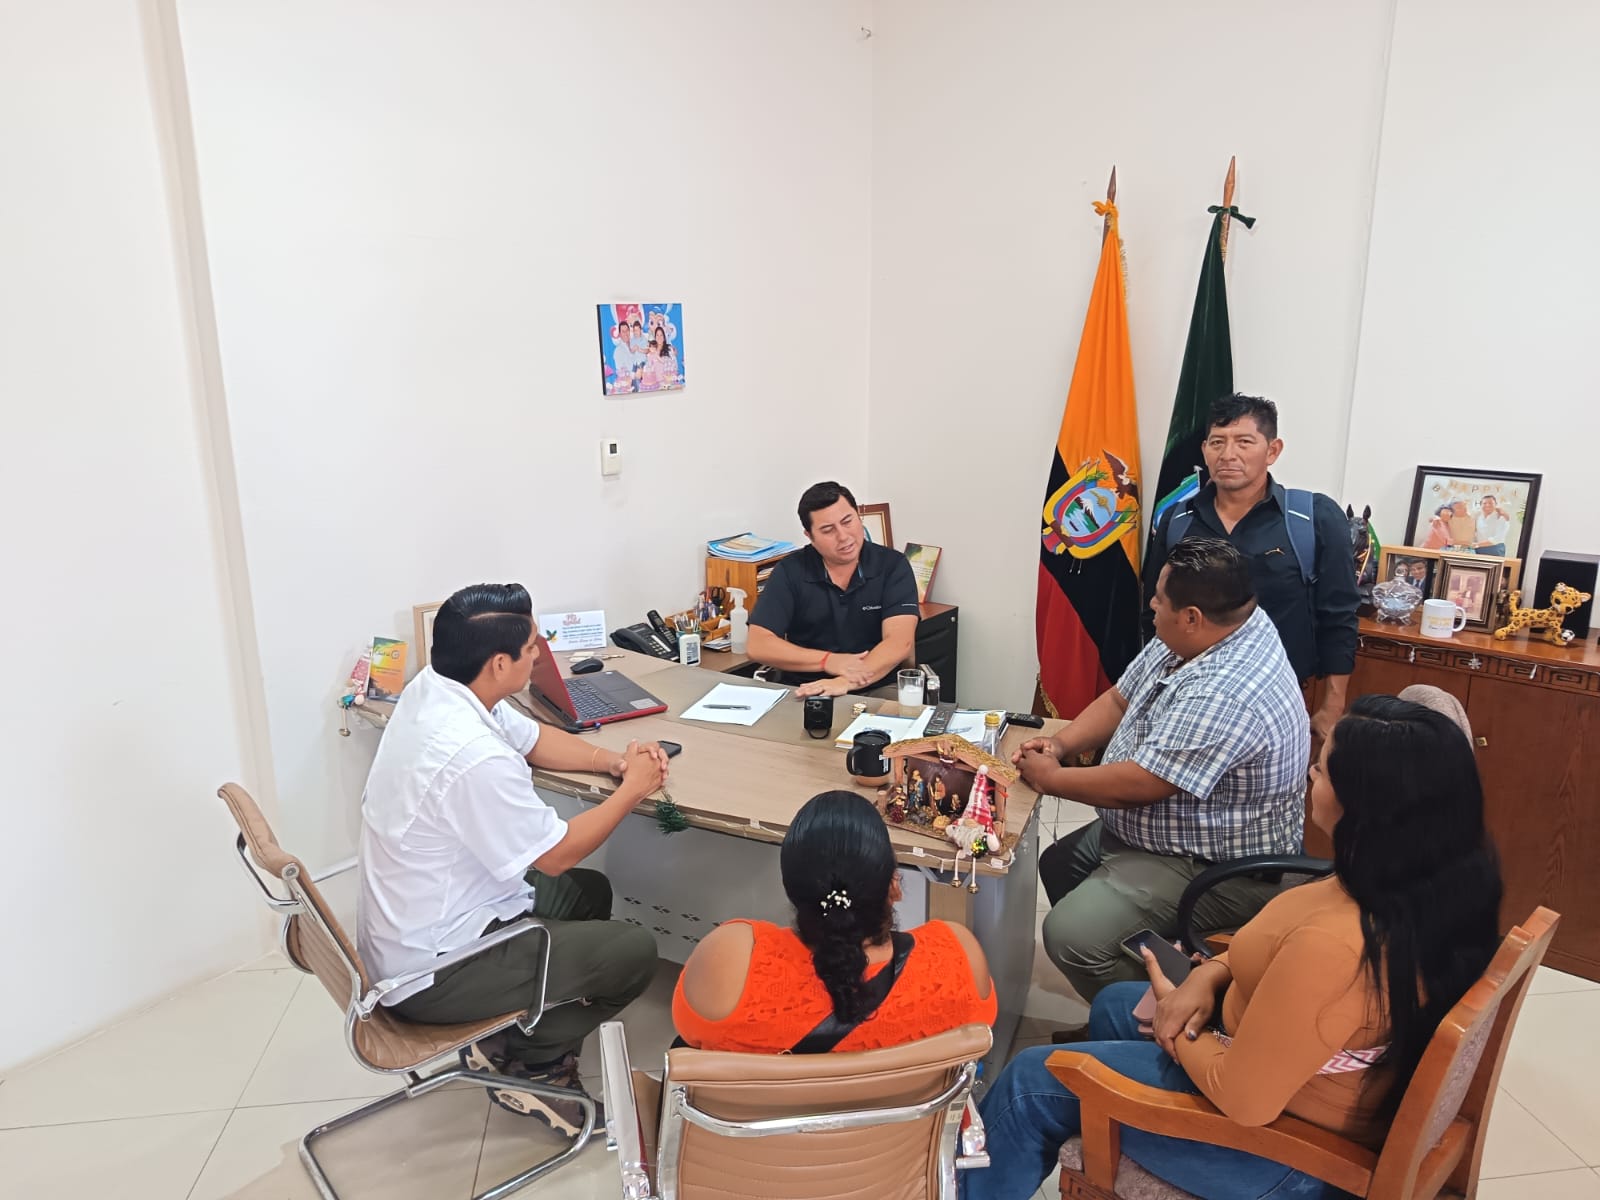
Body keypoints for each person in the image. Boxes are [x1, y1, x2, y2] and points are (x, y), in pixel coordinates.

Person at [965, 694, 1503, 1200]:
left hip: (1282, 1152)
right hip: (1278, 1073)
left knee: (1030, 1084)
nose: (1310, 771)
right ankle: (1112, 1139)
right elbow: (1269, 948)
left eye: (1323, 768)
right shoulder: (1417, 880)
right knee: (1113, 1005)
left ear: (1363, 807)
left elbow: (1244, 1099)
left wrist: (1177, 1025)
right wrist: (1208, 974)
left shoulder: (1336, 947)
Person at [356, 583, 668, 1135]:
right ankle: (533, 1063)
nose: (538, 655)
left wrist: (613, 761)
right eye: (530, 648)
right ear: (499, 663)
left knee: (589, 892)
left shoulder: (438, 688)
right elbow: (554, 855)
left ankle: (517, 1027)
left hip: (424, 925)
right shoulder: (471, 756)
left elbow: (530, 738)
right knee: (634, 951)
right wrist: (633, 791)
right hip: (434, 971)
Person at [1021, 539, 1309, 1003]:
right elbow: (1122, 698)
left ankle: (1178, 1015)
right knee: (1059, 865)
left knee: (1071, 937)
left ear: (1191, 616)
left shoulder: (1227, 691)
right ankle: (1135, 993)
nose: (1152, 605)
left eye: (1159, 598)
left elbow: (1143, 784)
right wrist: (1060, 743)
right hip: (1163, 833)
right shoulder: (1208, 630)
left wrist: (1050, 778)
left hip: (1211, 861)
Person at [672, 791, 995, 1052]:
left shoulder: (727, 959)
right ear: (894, 887)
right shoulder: (958, 957)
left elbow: (690, 1033)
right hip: (909, 1119)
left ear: (791, 889)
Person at [1143, 394, 1359, 742]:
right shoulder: (1178, 519)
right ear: (1204, 450)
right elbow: (1153, 608)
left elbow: (1340, 613)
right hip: (1185, 696)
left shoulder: (1312, 518)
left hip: (1279, 699)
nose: (1228, 454)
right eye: (1217, 442)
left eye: (1244, 442)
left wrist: (1333, 705)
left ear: (1272, 450)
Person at [747, 480, 922, 697]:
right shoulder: (791, 571)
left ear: (859, 516)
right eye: (828, 530)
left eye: (847, 521)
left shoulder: (892, 565)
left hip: (876, 685)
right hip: (806, 688)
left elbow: (899, 642)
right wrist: (827, 661)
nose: (843, 536)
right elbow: (758, 644)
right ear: (810, 536)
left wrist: (844, 682)